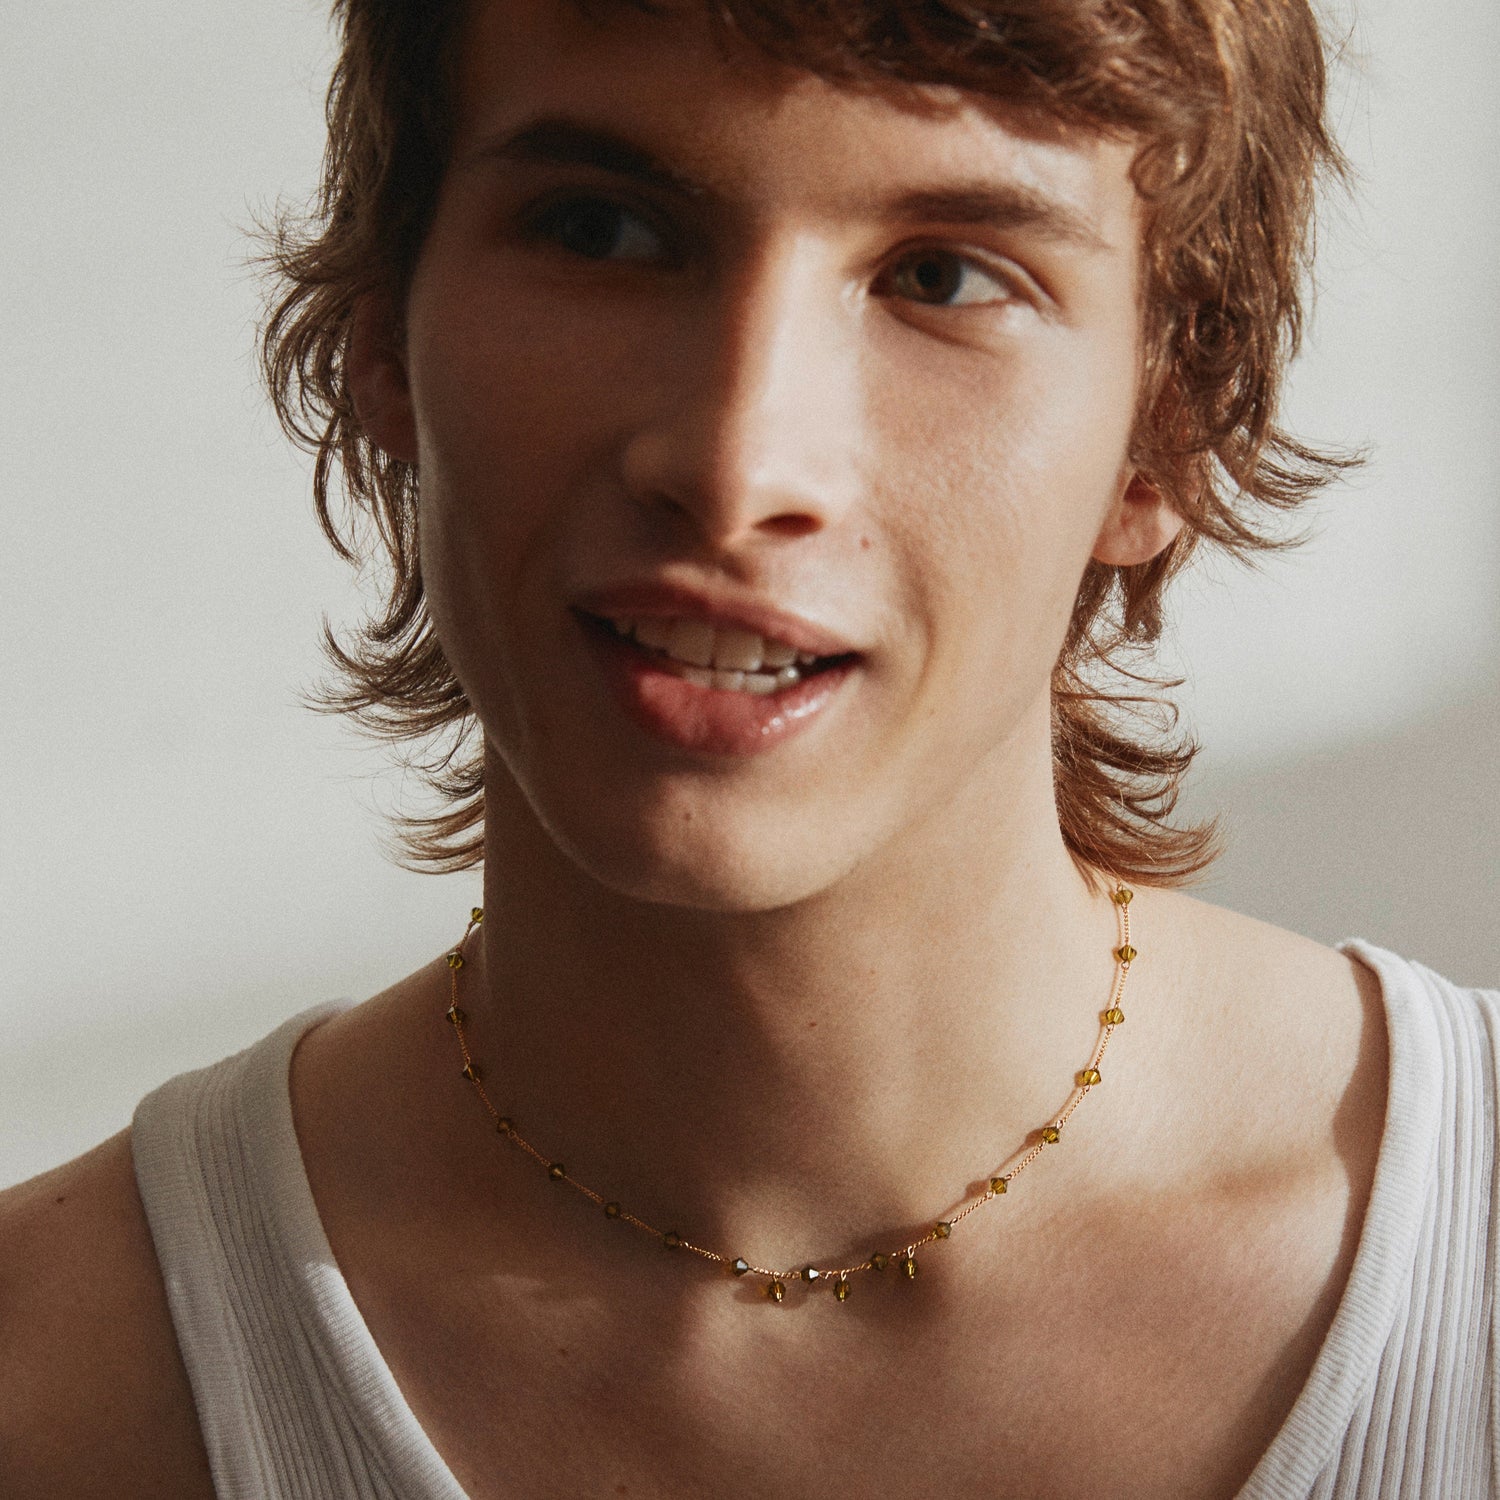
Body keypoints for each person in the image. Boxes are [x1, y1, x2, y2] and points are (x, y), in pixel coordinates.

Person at [1, 1, 1493, 1496]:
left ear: (1169, 423)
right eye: (601, 231)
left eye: (943, 277)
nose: (735, 463)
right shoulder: (57, 1382)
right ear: (385, 329)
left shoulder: (1463, 1249)